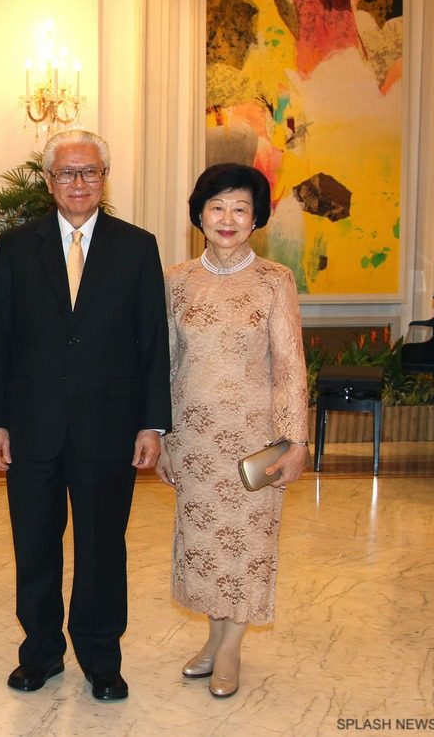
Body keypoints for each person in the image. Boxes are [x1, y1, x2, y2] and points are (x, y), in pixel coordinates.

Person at [0, 129, 172, 701]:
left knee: (102, 549)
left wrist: (150, 423)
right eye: (67, 173)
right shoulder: (16, 246)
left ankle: (101, 657)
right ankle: (40, 652)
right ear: (48, 182)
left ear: (104, 179)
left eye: (89, 172)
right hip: (32, 427)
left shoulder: (137, 247)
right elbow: (0, 339)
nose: (79, 183)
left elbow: (151, 341)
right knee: (35, 546)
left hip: (110, 430)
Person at [155, 163, 308, 698]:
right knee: (203, 543)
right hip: (194, 441)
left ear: (256, 218)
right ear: (200, 213)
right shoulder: (174, 280)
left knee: (248, 544)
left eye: (241, 208)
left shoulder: (275, 281)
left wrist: (295, 442)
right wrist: (164, 439)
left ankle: (230, 650)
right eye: (217, 207)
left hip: (255, 441)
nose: (228, 218)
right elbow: (165, 364)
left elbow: (290, 365)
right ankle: (213, 639)